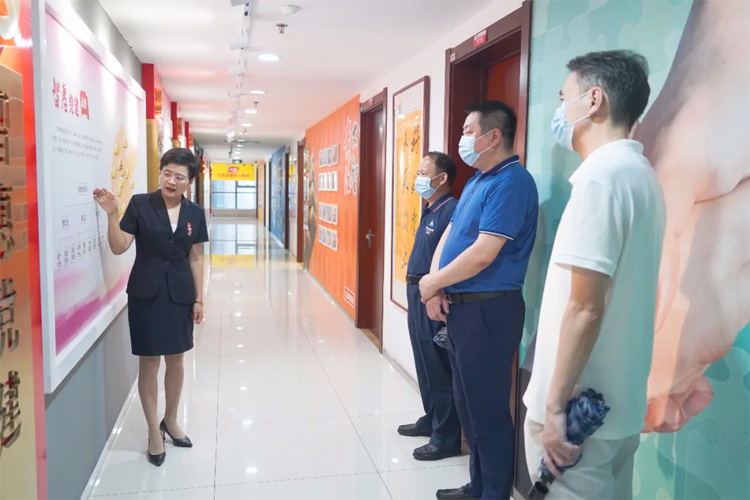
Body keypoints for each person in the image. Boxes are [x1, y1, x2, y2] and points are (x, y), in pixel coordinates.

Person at [522, 50, 666, 499]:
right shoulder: (641, 176)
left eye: (564, 96)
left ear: (593, 100)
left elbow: (586, 306)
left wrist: (554, 408)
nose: (560, 110)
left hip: (577, 417)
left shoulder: (600, 179)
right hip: (618, 409)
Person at [419, 101, 539, 500]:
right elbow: (449, 236)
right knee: (467, 404)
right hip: (461, 308)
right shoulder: (476, 181)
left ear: (493, 136)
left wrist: (435, 281)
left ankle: (494, 493)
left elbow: (485, 252)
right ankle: (478, 486)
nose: (463, 139)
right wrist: (435, 285)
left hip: (490, 309)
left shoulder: (512, 182)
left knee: (487, 411)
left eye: (469, 131)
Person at [93, 148, 209, 467]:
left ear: (189, 182)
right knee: (149, 364)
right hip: (146, 294)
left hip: (180, 294)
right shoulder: (141, 204)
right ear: (160, 173)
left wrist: (199, 298)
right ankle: (152, 432)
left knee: (177, 360)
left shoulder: (195, 213)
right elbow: (119, 247)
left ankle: (170, 420)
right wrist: (112, 214)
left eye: (179, 177)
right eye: (167, 173)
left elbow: (196, 257)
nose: (171, 180)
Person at [398, 152, 462, 461]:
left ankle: (446, 436)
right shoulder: (429, 209)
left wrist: (437, 291)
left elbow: (451, 258)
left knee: (438, 366)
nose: (418, 178)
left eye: (424, 173)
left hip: (433, 297)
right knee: (423, 361)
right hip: (416, 292)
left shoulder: (451, 210)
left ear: (442, 178)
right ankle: (431, 417)